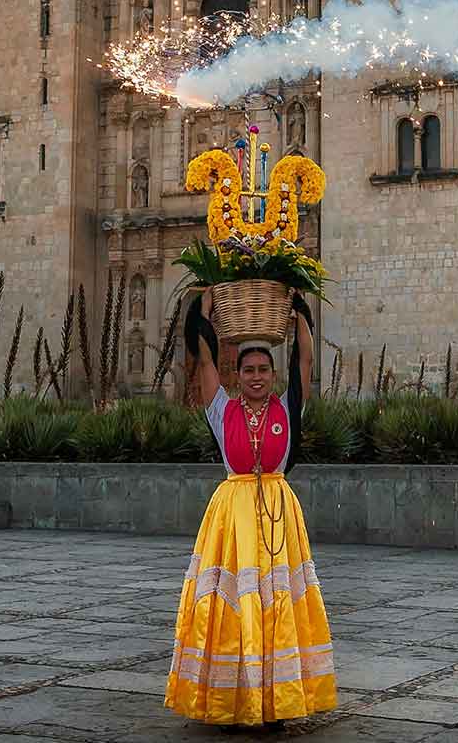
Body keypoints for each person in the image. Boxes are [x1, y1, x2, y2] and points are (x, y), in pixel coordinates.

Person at [164, 289, 337, 728]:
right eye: (249, 370)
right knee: (232, 605)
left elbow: (306, 363)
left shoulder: (287, 408)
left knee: (275, 602)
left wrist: (299, 311)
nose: (257, 377)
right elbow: (203, 363)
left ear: (273, 375)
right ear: (237, 375)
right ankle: (230, 699)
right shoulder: (221, 409)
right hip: (233, 514)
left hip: (278, 510)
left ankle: (277, 698)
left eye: (263, 370)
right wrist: (202, 313)